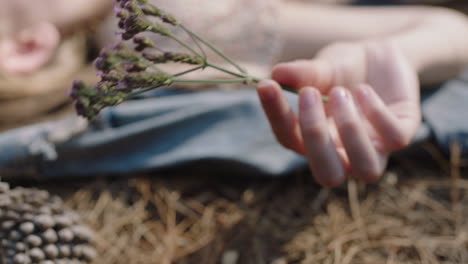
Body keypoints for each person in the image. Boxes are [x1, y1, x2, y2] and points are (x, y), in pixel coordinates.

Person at [0, 0, 467, 187]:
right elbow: (452, 33)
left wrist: (386, 56)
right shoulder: (149, 28)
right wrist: (395, 53)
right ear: (25, 50)